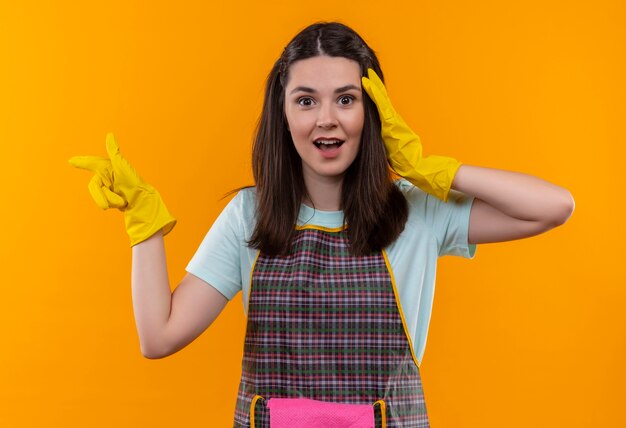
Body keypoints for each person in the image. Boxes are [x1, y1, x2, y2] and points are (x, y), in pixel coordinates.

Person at [70, 22, 574, 428]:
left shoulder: (417, 211)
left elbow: (553, 206)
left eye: (347, 99)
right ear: (284, 115)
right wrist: (145, 225)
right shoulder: (251, 215)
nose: (326, 119)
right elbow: (158, 337)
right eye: (306, 100)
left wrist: (430, 168)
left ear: (373, 114)